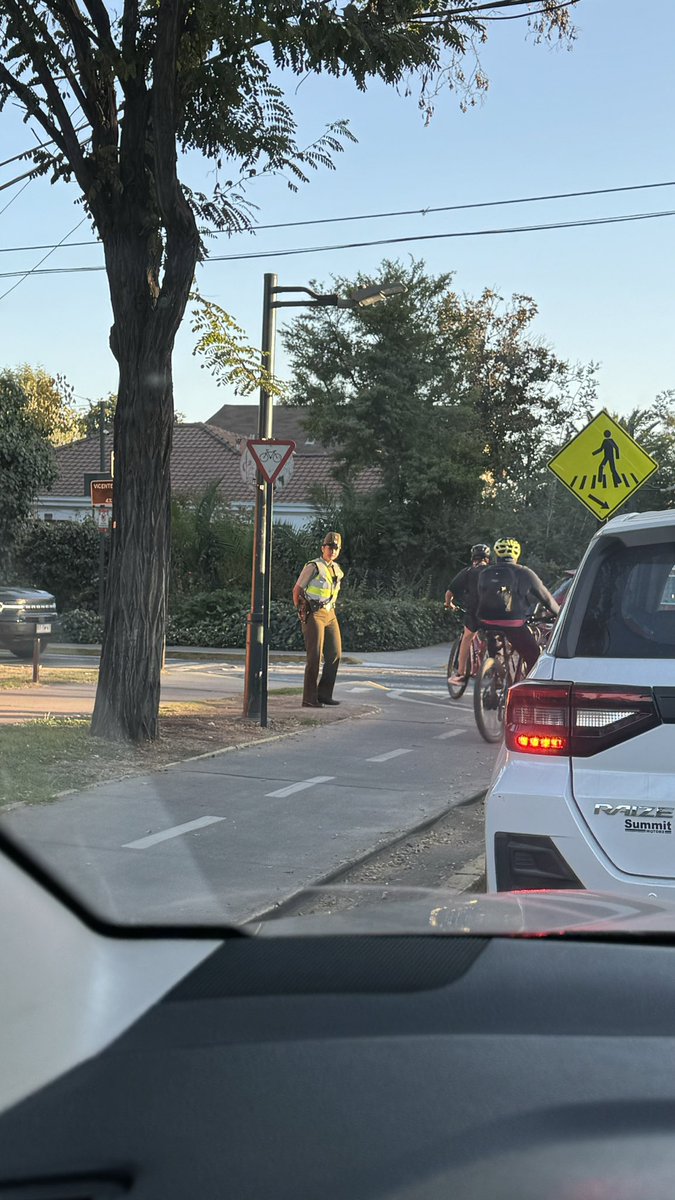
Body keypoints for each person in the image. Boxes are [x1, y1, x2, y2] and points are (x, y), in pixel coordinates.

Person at [475, 537, 560, 676]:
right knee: (534, 655)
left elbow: (480, 595)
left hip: (486, 622)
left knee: (495, 648)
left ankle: (496, 676)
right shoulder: (524, 572)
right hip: (512, 623)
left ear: (497, 554)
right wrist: (560, 615)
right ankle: (528, 687)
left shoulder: (485, 573)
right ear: (517, 554)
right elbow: (547, 599)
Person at [293, 532, 344, 708]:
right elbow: (297, 589)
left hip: (330, 614)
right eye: (329, 547)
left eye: (335, 548)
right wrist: (301, 609)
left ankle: (324, 694)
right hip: (313, 613)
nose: (332, 550)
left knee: (335, 654)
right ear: (323, 548)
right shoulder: (314, 566)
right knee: (314, 656)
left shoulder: (336, 569)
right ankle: (309, 698)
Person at [445, 544, 492, 687]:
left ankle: (460, 674)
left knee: (467, 638)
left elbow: (449, 592)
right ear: (488, 559)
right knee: (490, 637)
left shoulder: (468, 572)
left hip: (474, 612)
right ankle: (486, 665)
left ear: (473, 558)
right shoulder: (493, 571)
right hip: (492, 613)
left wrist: (449, 604)